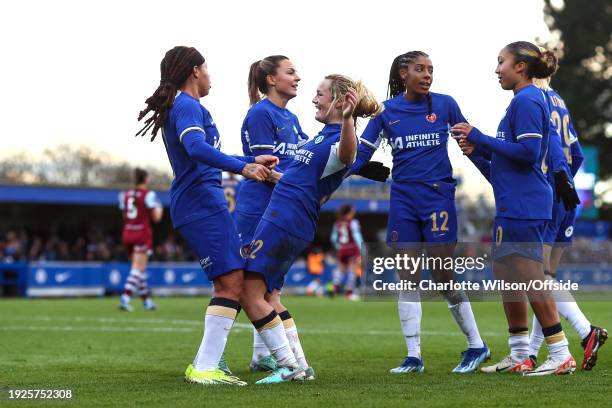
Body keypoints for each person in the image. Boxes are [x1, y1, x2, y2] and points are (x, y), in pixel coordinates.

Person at [136, 46, 278, 385]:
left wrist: (250, 161)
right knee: (232, 284)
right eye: (207, 69)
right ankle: (208, 367)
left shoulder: (187, 107)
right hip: (200, 202)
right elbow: (197, 149)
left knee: (231, 282)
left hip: (203, 201)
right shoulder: (187, 106)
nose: (210, 75)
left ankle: (208, 363)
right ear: (195, 71)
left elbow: (204, 153)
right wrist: (244, 167)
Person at [350, 51, 489, 374]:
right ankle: (413, 356)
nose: (427, 75)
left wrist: (495, 175)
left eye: (430, 70)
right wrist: (337, 175)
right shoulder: (385, 113)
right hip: (402, 200)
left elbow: (470, 147)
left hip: (438, 198)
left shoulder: (445, 104)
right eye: (420, 69)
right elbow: (358, 156)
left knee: (442, 275)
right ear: (402, 74)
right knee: (408, 277)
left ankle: (476, 345)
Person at [239, 74, 381, 383]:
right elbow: (300, 179)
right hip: (287, 218)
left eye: (320, 94)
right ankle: (299, 365)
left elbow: (347, 155)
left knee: (248, 293)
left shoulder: (338, 138)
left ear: (340, 102)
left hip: (285, 219)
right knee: (270, 295)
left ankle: (289, 367)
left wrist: (347, 121)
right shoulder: (320, 136)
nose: (314, 99)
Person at [452, 41, 576, 376]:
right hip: (512, 203)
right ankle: (521, 353)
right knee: (508, 277)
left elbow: (528, 153)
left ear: (520, 66)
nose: (497, 69)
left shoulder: (528, 99)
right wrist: (476, 152)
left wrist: (479, 135)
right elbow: (502, 171)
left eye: (501, 62)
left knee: (531, 279)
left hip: (526, 205)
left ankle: (561, 352)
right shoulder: (519, 103)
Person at [232, 55, 309, 373]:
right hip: (257, 210)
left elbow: (306, 161)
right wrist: (300, 187)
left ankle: (261, 357)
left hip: (281, 209)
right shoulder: (261, 113)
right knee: (237, 284)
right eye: (291, 72)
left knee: (269, 289)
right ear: (271, 80)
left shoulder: (290, 119)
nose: (298, 77)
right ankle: (213, 357)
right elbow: (265, 171)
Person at [528, 75, 607, 371]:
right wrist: (567, 182)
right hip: (567, 196)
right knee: (544, 276)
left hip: (546, 195)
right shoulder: (559, 100)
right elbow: (577, 154)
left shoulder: (533, 100)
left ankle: (586, 331)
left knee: (537, 277)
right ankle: (533, 352)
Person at [118, 168, 163, 311]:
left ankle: (147, 301)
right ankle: (125, 298)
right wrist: (159, 207)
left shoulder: (126, 195)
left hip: (127, 233)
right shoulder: (149, 195)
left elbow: (124, 217)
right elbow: (156, 218)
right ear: (145, 179)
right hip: (141, 234)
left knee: (139, 270)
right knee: (137, 268)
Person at [330, 204, 363, 300]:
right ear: (349, 212)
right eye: (352, 210)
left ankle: (334, 286)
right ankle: (349, 293)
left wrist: (339, 247)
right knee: (352, 270)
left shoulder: (337, 223)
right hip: (352, 248)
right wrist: (362, 247)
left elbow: (333, 238)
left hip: (342, 249)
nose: (354, 212)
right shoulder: (353, 222)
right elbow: (357, 236)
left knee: (341, 269)